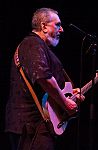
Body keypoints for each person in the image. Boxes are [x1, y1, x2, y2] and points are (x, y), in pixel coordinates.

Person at [5, 7, 85, 150]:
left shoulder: (39, 47)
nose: (62, 30)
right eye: (58, 25)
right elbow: (44, 78)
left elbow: (44, 86)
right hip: (30, 126)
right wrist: (65, 103)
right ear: (43, 26)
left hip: (36, 126)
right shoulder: (33, 43)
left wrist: (68, 94)